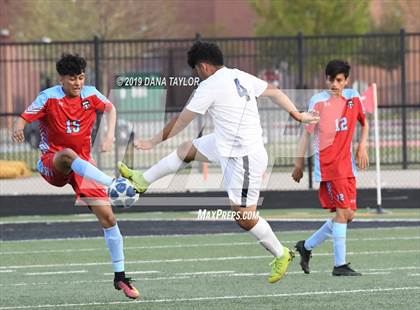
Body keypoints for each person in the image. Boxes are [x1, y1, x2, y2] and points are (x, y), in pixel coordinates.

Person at [118, 41, 319, 283]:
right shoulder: (238, 75)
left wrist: (152, 142)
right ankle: (142, 180)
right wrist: (297, 114)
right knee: (186, 150)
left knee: (244, 218)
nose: (196, 75)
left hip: (243, 156)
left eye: (195, 70)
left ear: (202, 66)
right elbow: (275, 92)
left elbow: (182, 121)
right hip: (227, 143)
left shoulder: (209, 85)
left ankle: (282, 253)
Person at [11, 54, 140, 299]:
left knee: (109, 218)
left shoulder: (91, 94)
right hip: (53, 162)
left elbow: (111, 109)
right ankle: (113, 183)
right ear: (62, 79)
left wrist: (109, 135)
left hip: (84, 167)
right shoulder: (48, 97)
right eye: (73, 79)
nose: (78, 83)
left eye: (81, 78)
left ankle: (120, 277)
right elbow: (23, 118)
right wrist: (17, 127)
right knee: (68, 154)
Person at [292, 60, 369, 276]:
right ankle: (339, 265)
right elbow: (306, 133)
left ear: (346, 81)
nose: (334, 84)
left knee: (348, 215)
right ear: (325, 79)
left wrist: (362, 145)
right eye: (331, 79)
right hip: (329, 167)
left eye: (339, 80)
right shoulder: (317, 102)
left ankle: (305, 247)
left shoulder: (354, 97)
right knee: (343, 214)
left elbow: (365, 123)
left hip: (348, 167)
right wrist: (298, 164)